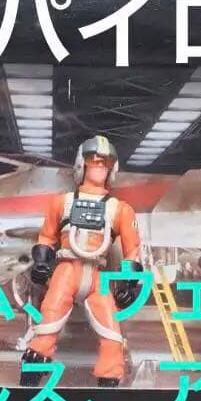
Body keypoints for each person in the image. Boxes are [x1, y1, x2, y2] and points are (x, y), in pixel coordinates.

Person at [21, 135, 143, 387]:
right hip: (66, 270)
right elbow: (46, 237)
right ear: (81, 164)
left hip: (97, 276)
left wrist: (130, 280)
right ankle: (28, 383)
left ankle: (109, 383)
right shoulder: (62, 203)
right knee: (47, 327)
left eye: (104, 163)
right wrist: (42, 261)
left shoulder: (120, 209)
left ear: (112, 168)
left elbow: (132, 249)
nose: (98, 166)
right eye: (93, 161)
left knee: (112, 334)